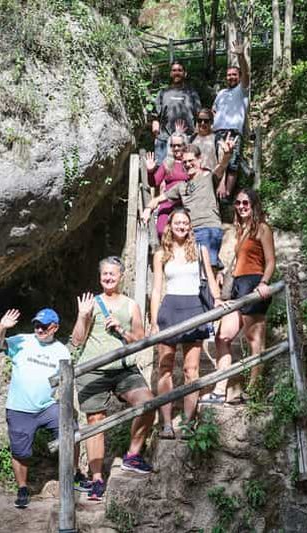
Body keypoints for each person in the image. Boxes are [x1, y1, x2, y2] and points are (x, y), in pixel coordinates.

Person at [71, 256, 155, 502]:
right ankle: (97, 478)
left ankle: (132, 455)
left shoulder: (131, 305)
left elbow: (140, 339)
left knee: (148, 403)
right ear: (100, 276)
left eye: (112, 274)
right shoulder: (91, 303)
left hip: (123, 368)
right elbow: (76, 340)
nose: (108, 277)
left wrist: (121, 328)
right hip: (93, 369)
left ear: (121, 276)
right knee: (95, 421)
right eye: (104, 274)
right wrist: (82, 316)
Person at [150, 208, 222, 438]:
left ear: (190, 226)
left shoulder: (200, 249)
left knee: (191, 370)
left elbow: (210, 277)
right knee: (165, 368)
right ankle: (167, 424)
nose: (181, 226)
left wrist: (218, 299)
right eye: (177, 222)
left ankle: (189, 423)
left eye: (185, 223)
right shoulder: (161, 254)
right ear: (170, 226)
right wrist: (153, 321)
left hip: (193, 308)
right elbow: (156, 289)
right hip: (169, 310)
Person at [0, 307, 72, 509]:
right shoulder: (22, 340)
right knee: (20, 453)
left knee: (71, 429)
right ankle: (22, 488)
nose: (39, 330)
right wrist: (2, 326)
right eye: (36, 325)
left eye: (44, 326)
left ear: (55, 328)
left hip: (47, 407)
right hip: (19, 408)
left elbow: (66, 380)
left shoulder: (62, 351)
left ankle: (73, 474)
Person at [203, 189, 275, 404]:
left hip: (254, 284)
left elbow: (271, 261)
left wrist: (264, 283)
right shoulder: (240, 230)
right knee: (222, 337)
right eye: (238, 203)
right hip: (238, 286)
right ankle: (220, 389)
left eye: (246, 203)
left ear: (254, 205)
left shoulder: (262, 229)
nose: (241, 206)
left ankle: (253, 390)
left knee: (254, 339)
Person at [141, 141, 234, 270]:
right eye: (184, 162)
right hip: (190, 233)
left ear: (199, 160)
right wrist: (147, 210)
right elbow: (157, 199)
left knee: (207, 269)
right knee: (194, 269)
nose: (188, 164)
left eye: (191, 161)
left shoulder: (208, 177)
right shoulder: (181, 186)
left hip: (208, 228)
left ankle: (216, 271)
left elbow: (222, 166)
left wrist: (227, 153)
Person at [212, 42, 250, 199]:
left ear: (239, 77)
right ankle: (218, 192)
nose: (231, 77)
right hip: (218, 131)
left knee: (232, 163)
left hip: (233, 131)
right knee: (219, 161)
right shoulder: (221, 93)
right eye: (229, 75)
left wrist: (241, 56)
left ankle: (226, 194)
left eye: (234, 74)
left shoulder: (242, 90)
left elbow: (246, 73)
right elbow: (214, 109)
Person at [152, 61, 201, 165]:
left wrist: (195, 135)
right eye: (174, 70)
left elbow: (199, 116)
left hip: (186, 140)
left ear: (185, 73)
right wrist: (156, 134)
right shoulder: (163, 93)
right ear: (170, 73)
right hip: (164, 140)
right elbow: (155, 116)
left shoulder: (192, 93)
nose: (176, 73)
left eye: (179, 70)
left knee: (186, 171)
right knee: (161, 170)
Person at [145, 132, 189, 239]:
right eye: (173, 146)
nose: (176, 148)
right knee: (162, 230)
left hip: (185, 203)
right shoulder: (167, 163)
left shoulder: (189, 163)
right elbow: (154, 183)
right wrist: (150, 171)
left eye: (179, 145)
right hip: (168, 202)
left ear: (185, 146)